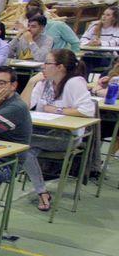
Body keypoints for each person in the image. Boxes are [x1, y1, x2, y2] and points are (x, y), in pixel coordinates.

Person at [21, 49, 96, 212]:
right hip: (42, 133)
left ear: (60, 67)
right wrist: (31, 82)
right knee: (25, 151)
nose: (43, 66)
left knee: (19, 141)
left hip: (66, 137)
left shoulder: (74, 82)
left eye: (47, 63)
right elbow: (23, 107)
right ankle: (42, 193)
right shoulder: (43, 82)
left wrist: (57, 110)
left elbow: (87, 110)